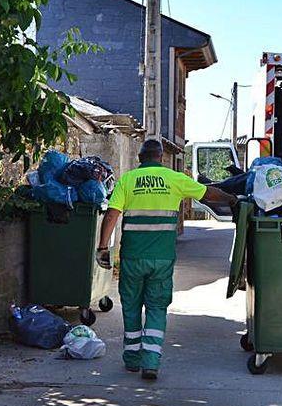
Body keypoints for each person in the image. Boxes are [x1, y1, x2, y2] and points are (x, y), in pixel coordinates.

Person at [95, 139, 237, 380]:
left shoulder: (128, 180)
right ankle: (151, 362)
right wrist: (232, 199)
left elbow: (111, 215)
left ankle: (132, 359)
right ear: (161, 157)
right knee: (157, 307)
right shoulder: (174, 179)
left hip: (132, 257)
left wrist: (102, 248)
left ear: (140, 158)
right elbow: (207, 193)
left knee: (131, 306)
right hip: (162, 258)